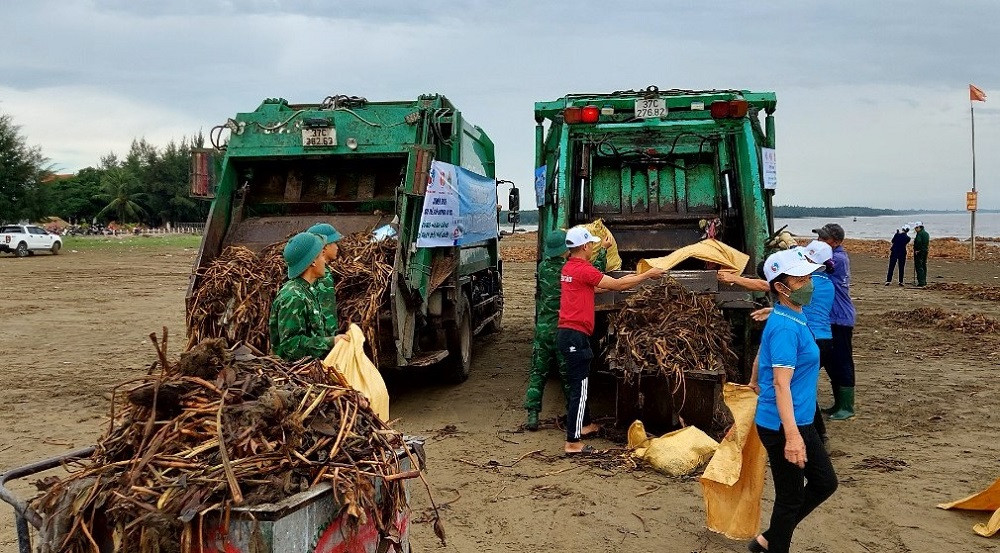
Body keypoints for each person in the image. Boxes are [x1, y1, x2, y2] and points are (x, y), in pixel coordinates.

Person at [749, 249, 838, 553]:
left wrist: (752, 378)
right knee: (790, 498)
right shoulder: (786, 326)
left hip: (800, 418)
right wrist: (792, 438)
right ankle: (772, 545)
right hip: (782, 424)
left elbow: (764, 352)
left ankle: (767, 539)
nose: (808, 283)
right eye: (799, 279)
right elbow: (780, 384)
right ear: (780, 287)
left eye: (807, 276)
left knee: (825, 482)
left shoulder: (789, 314)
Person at [558, 226, 664, 453]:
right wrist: (646, 276)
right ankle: (572, 442)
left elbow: (589, 289)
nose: (592, 248)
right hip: (575, 335)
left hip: (569, 334)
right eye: (591, 245)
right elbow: (615, 284)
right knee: (580, 387)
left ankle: (583, 427)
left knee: (580, 384)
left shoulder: (568, 268)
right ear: (585, 246)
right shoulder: (583, 269)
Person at [523, 230, 609, 431]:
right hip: (564, 329)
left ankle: (532, 416)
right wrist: (603, 251)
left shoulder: (543, 268)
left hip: (544, 330)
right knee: (569, 376)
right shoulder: (568, 269)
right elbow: (594, 273)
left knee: (538, 372)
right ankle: (574, 416)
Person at [269, 232, 347, 362]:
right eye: (321, 255)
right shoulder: (293, 297)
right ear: (313, 262)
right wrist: (329, 342)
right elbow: (291, 346)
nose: (324, 261)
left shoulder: (307, 290)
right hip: (294, 376)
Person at [813, 223, 856, 421]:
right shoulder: (831, 255)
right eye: (819, 237)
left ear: (837, 241)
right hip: (829, 317)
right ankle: (838, 403)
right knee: (831, 362)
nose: (820, 241)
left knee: (842, 361)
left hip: (840, 317)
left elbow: (810, 261)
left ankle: (846, 407)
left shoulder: (836, 259)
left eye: (825, 238)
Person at [307, 223, 344, 332]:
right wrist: (331, 342)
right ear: (325, 246)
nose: (337, 247)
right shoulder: (323, 275)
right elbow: (327, 315)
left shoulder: (306, 270)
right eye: (334, 243)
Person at [913, 221, 929, 287]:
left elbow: (919, 242)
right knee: (923, 265)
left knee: (919, 266)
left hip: (919, 252)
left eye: (916, 228)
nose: (915, 229)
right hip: (925, 251)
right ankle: (924, 281)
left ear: (919, 227)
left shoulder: (919, 234)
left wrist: (917, 250)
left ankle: (921, 282)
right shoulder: (926, 233)